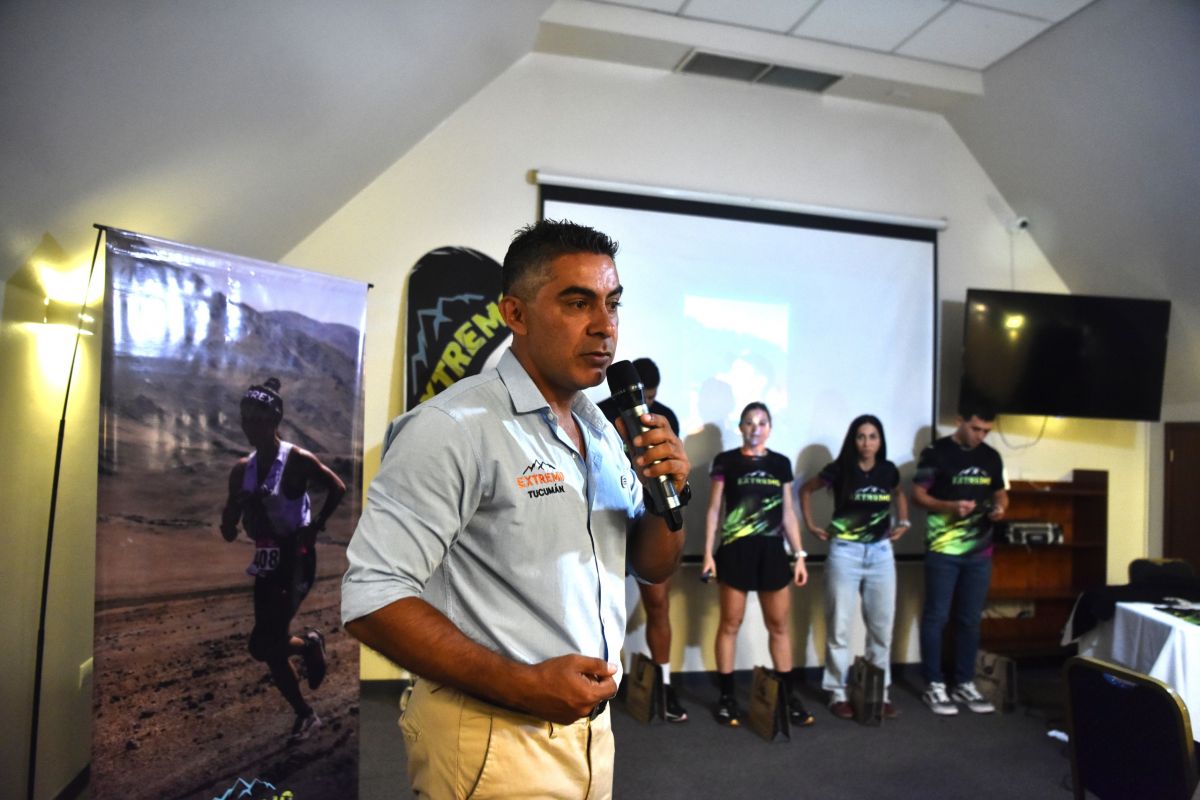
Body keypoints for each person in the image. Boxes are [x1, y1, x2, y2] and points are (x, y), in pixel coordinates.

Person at [341, 220, 690, 799]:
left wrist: (666, 494)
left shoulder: (603, 430)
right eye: (577, 303)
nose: (604, 326)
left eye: (612, 304)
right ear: (515, 314)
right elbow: (371, 596)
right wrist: (522, 684)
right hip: (493, 735)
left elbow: (653, 565)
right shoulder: (453, 428)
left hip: (590, 734)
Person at [220, 377, 347, 742]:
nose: (250, 426)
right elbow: (228, 528)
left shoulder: (295, 460)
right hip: (266, 562)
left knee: (264, 644)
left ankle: (308, 658)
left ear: (275, 420)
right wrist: (234, 516)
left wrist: (316, 526)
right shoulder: (241, 470)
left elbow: (337, 486)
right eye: (246, 419)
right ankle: (306, 700)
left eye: (258, 419)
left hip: (296, 559)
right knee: (267, 647)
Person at [701, 401, 812, 728]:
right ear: (741, 427)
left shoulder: (780, 464)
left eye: (762, 422)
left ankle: (787, 696)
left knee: (779, 626)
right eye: (749, 422)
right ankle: (727, 697)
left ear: (770, 428)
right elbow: (714, 511)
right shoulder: (726, 461)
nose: (755, 428)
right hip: (735, 551)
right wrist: (708, 554)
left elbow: (788, 512)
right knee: (729, 624)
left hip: (773, 552)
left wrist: (800, 554)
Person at [798, 414, 910, 720]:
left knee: (881, 629)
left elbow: (899, 494)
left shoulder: (888, 470)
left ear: (880, 441)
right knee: (839, 627)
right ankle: (837, 692)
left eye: (873, 437)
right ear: (853, 439)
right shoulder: (840, 469)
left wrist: (904, 522)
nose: (867, 443)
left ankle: (879, 691)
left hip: (881, 554)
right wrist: (811, 525)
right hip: (845, 553)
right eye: (861, 436)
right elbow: (805, 489)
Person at [598, 357, 688, 723]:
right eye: (642, 397)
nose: (647, 405)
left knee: (659, 605)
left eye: (651, 398)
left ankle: (664, 685)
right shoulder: (598, 414)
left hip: (651, 517)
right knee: (600, 608)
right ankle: (603, 683)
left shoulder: (665, 417)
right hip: (608, 519)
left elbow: (672, 467)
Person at [912, 404, 1008, 715]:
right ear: (959, 421)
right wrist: (950, 507)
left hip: (980, 551)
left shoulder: (991, 457)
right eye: (976, 429)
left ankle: (964, 682)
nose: (980, 436)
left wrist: (1000, 507)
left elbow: (1000, 492)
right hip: (943, 549)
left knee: (970, 619)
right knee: (937, 617)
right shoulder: (936, 453)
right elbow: (918, 495)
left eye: (986, 431)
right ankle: (934, 684)